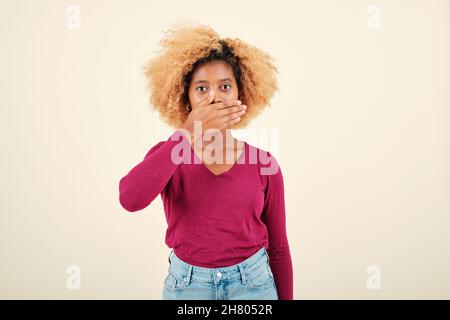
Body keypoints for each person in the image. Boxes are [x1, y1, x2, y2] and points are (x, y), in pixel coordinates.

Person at [119, 22, 293, 300]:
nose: (214, 97)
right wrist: (188, 131)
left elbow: (279, 247)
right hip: (187, 287)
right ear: (185, 98)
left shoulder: (264, 163)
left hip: (253, 286)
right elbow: (130, 199)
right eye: (201, 88)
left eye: (225, 86)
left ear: (241, 95)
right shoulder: (168, 155)